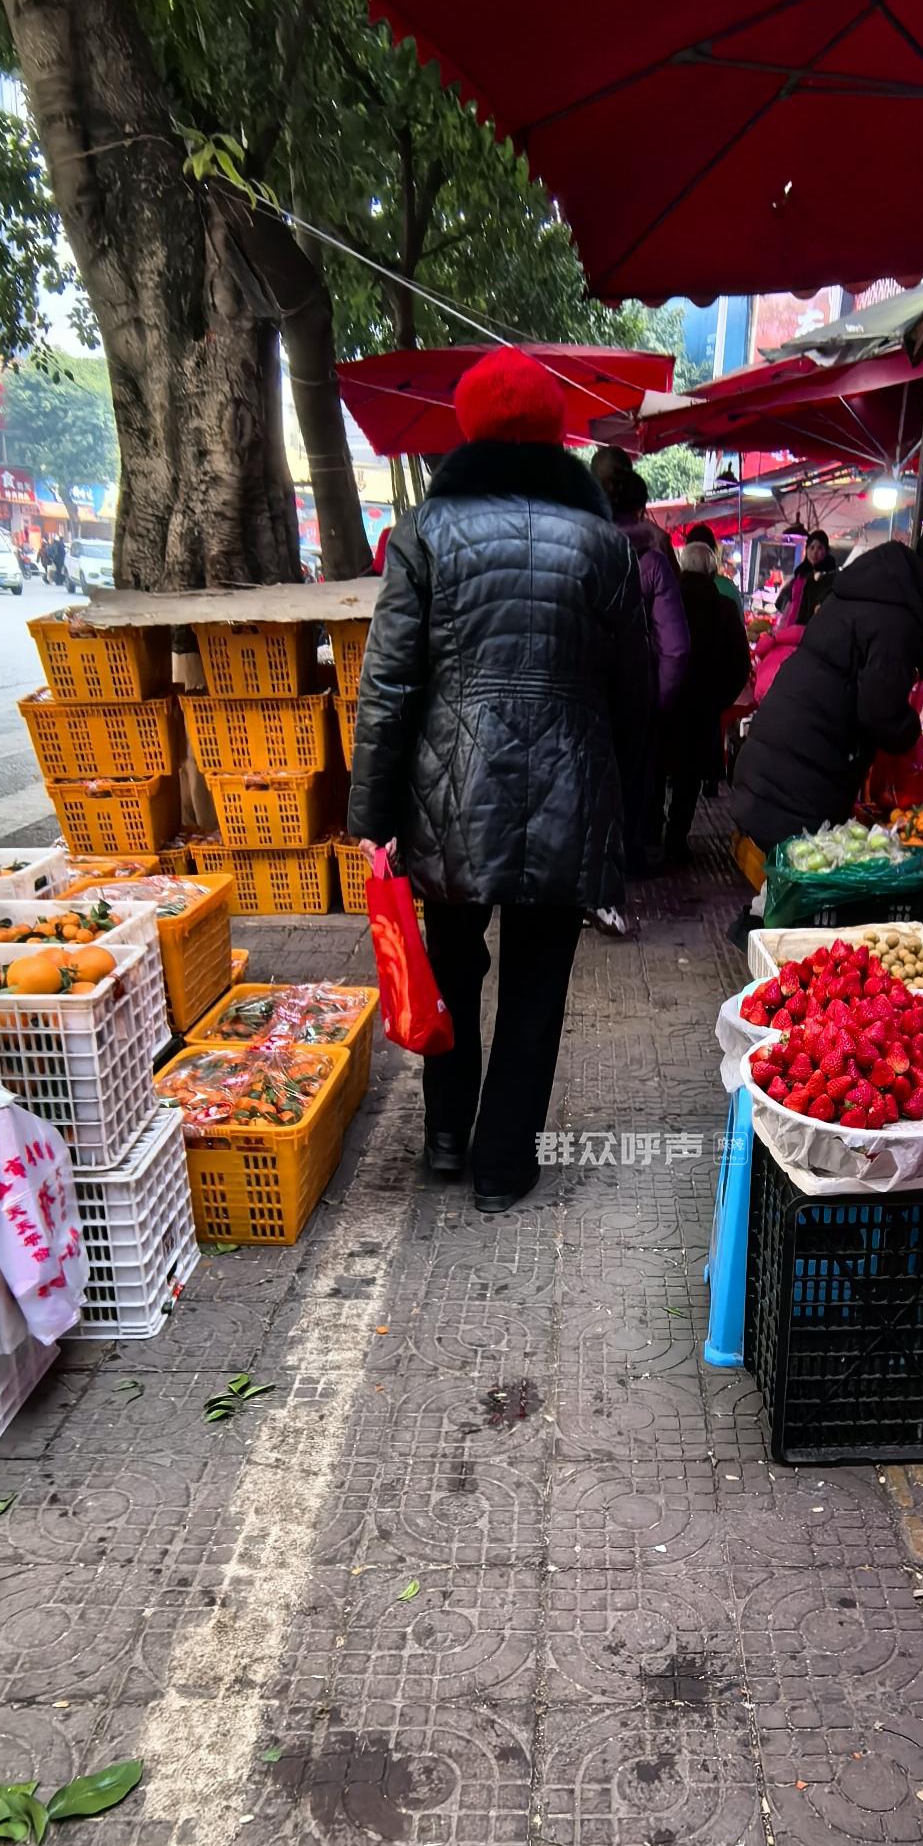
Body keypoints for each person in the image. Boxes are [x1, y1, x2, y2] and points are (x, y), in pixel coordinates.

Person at [347, 348, 645, 1213]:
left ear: (467, 430)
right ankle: (503, 1166)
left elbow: (389, 685)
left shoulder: (425, 533)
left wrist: (370, 813)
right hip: (569, 788)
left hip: (450, 794)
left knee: (451, 968)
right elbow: (636, 691)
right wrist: (624, 810)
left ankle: (446, 1135)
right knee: (537, 987)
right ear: (557, 434)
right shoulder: (605, 544)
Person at [729, 513, 923, 852]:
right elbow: (880, 711)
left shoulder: (849, 598)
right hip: (799, 784)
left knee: (787, 863)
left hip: (771, 774)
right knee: (800, 866)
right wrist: (910, 733)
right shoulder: (895, 621)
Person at [589, 446, 690, 879]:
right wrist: (658, 698)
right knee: (631, 783)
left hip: (583, 688)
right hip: (635, 692)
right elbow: (677, 647)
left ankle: (589, 867)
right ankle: (624, 863)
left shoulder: (576, 548)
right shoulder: (654, 558)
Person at [663, 527, 753, 859]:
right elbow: (741, 664)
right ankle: (676, 842)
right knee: (688, 779)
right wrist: (720, 700)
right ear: (712, 569)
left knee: (656, 772)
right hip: (703, 707)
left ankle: (650, 837)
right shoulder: (725, 607)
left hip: (664, 703)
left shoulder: (666, 601)